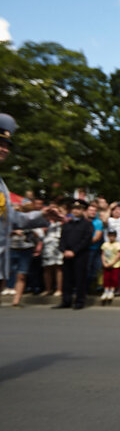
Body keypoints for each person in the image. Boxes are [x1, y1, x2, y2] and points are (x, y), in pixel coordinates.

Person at [0, 114, 50, 299]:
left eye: (6, 145)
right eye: (0, 143)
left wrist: (43, 215)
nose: (4, 149)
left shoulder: (2, 185)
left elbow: (11, 219)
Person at [54, 199, 94, 310]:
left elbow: (86, 240)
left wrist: (74, 251)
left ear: (83, 211)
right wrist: (64, 250)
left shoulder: (87, 224)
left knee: (80, 278)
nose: (76, 211)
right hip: (67, 255)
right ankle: (66, 300)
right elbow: (62, 240)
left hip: (80, 255)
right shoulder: (67, 225)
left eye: (79, 209)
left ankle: (79, 301)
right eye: (74, 209)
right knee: (66, 278)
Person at [100, 230, 120, 305]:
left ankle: (112, 291)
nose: (111, 237)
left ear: (115, 236)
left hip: (115, 264)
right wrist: (104, 262)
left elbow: (118, 255)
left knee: (114, 278)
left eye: (113, 236)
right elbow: (102, 254)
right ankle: (106, 291)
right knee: (106, 278)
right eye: (110, 235)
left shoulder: (117, 244)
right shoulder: (105, 244)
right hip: (106, 264)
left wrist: (112, 263)